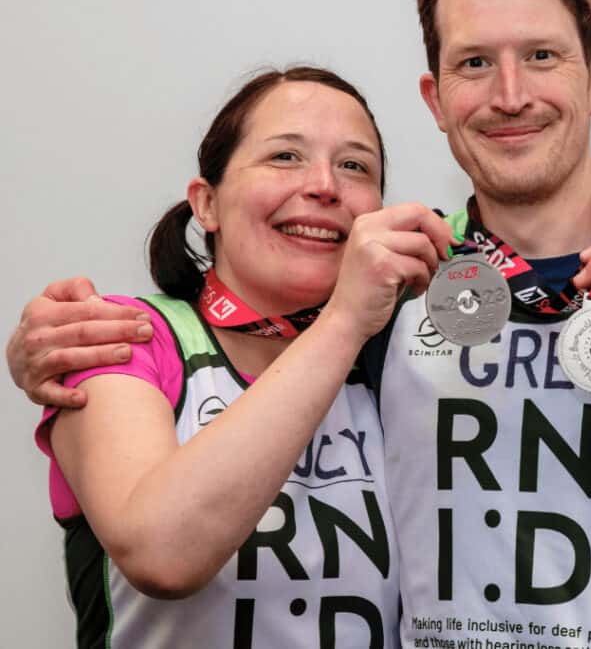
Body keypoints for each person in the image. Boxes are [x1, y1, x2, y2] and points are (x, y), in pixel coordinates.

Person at [7, 0, 591, 647]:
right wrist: (48, 343)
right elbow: (230, 375)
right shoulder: (382, 274)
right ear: (437, 98)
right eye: (475, 63)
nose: (510, 95)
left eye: (542, 57)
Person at [28, 65, 458, 648]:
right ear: (206, 204)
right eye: (285, 156)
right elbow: (163, 555)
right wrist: (346, 318)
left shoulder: (399, 361)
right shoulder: (121, 336)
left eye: (354, 165)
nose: (325, 186)